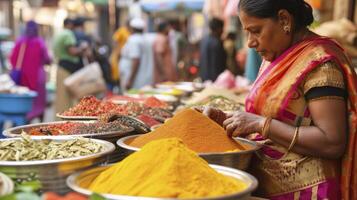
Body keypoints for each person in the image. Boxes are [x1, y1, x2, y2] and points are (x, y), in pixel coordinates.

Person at [199, 0, 357, 199]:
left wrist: (260, 124)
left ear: (284, 20)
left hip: (308, 191)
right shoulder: (276, 57)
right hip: (267, 185)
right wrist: (229, 118)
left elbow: (332, 142)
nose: (250, 42)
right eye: (247, 32)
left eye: (256, 31)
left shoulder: (320, 64)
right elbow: (269, 113)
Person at [9, 20, 51, 121]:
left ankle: (25, 120)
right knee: (39, 102)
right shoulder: (40, 42)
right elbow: (47, 59)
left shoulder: (20, 41)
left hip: (23, 79)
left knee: (26, 102)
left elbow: (12, 59)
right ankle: (40, 123)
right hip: (38, 79)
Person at [53, 18, 87, 115]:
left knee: (61, 98)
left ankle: (59, 118)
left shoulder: (59, 34)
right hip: (67, 69)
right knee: (66, 100)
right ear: (70, 25)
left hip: (61, 67)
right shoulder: (68, 34)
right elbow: (72, 51)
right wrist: (82, 48)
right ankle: (65, 120)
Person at [119, 18, 154, 90]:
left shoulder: (134, 40)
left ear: (132, 28)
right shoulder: (145, 39)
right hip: (143, 80)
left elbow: (136, 60)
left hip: (135, 81)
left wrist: (130, 80)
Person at [110, 21, 130, 88]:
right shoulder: (122, 30)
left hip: (127, 57)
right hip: (118, 56)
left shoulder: (131, 32)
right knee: (116, 74)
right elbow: (115, 41)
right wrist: (117, 51)